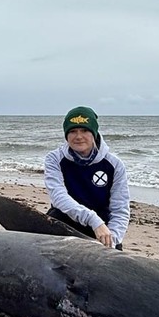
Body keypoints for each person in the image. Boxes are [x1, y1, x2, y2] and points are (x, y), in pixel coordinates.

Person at [44, 106, 130, 249]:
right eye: (72, 131)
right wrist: (93, 220)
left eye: (84, 130)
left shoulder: (114, 164)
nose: (78, 136)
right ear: (66, 135)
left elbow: (120, 209)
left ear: (94, 133)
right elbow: (58, 197)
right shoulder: (54, 159)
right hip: (66, 220)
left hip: (102, 229)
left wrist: (112, 240)